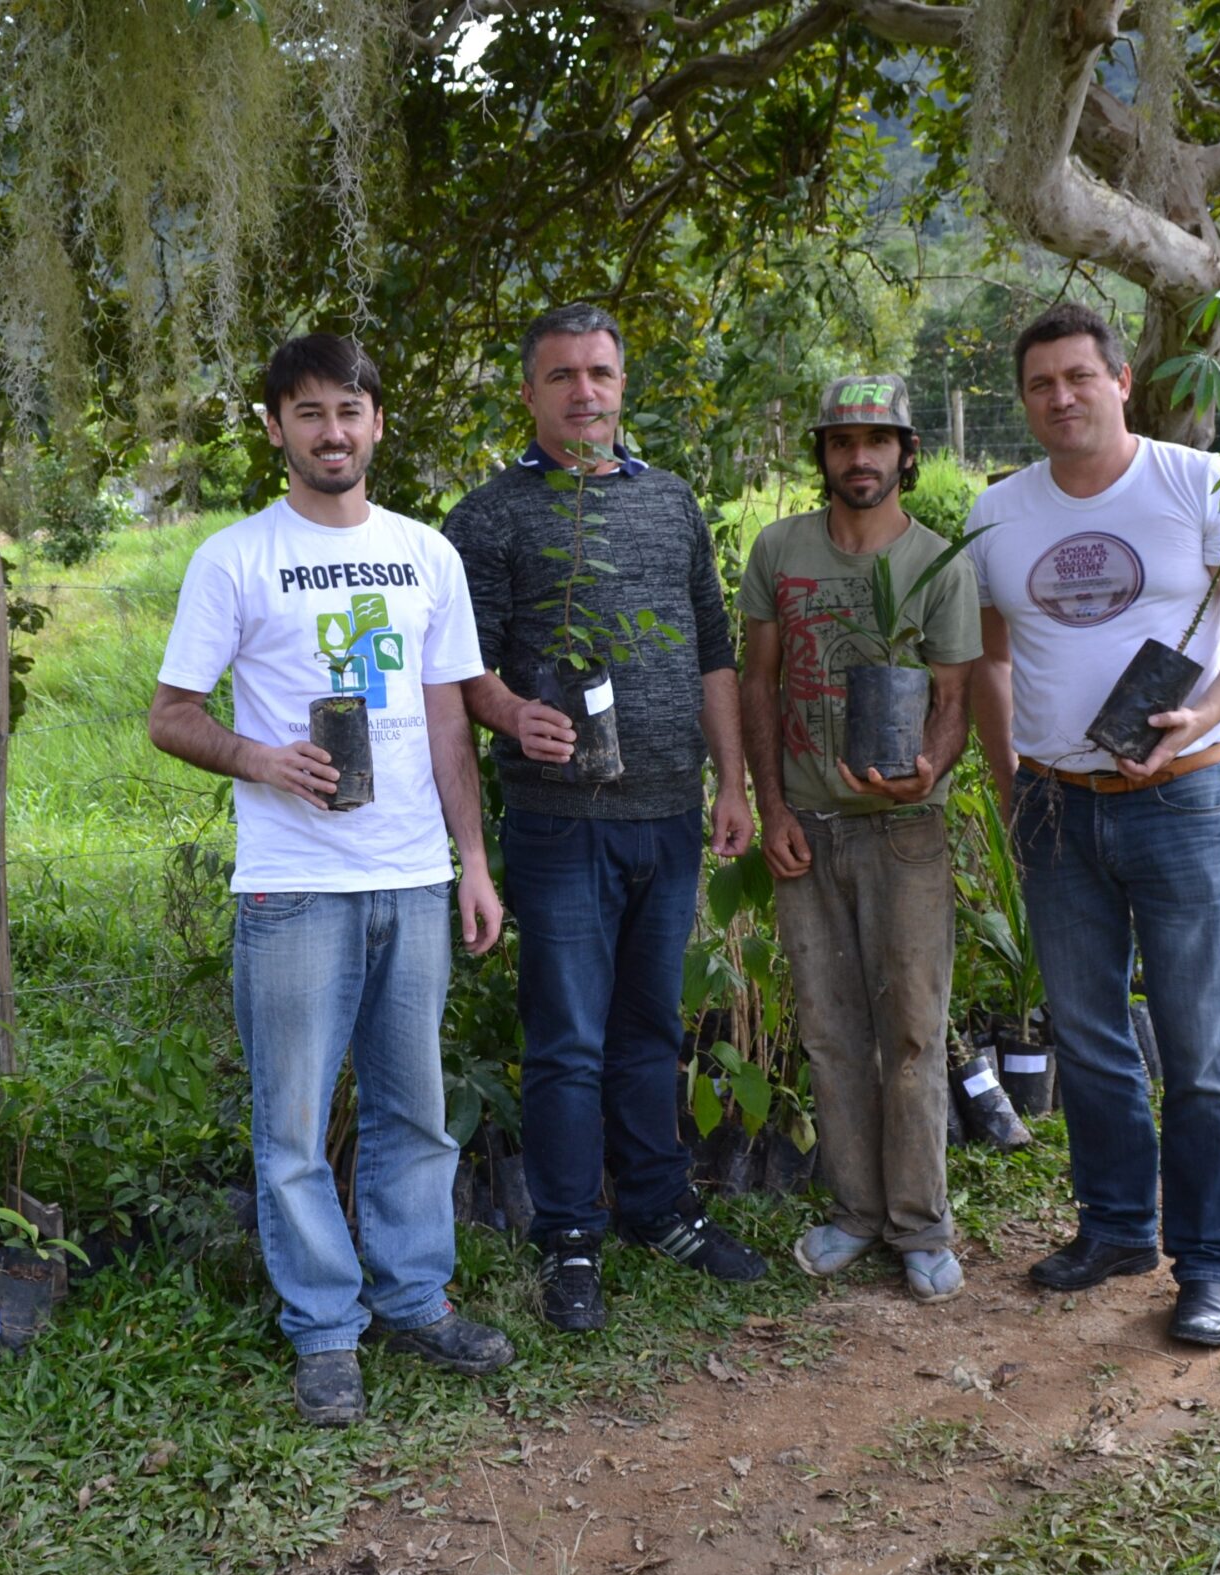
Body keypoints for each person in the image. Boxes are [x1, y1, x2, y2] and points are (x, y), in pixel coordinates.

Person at [149, 334, 514, 1424]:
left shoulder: (425, 556)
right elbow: (171, 714)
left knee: (418, 1112)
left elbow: (450, 720)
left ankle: (415, 1297)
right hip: (294, 883)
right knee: (293, 1127)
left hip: (409, 875)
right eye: (307, 413)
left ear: (377, 422)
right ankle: (324, 1332)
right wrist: (261, 759)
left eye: (349, 411)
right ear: (274, 430)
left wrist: (473, 864)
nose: (332, 432)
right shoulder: (235, 558)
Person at [965, 302, 1220, 1348]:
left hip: (1179, 796)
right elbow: (988, 657)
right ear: (1024, 403)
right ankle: (1114, 1226)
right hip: (1055, 807)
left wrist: (1205, 712)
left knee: (1199, 1051)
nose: (1059, 398)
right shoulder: (997, 513)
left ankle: (1207, 1264)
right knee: (1088, 1035)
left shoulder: (1199, 485)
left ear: (1119, 380)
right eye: (1039, 385)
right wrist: (1006, 775)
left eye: (1077, 376)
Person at [445, 303, 762, 1333]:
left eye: (601, 374)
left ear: (624, 386)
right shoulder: (491, 517)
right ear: (528, 393)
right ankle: (569, 1237)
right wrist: (512, 711)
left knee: (649, 1028)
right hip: (560, 824)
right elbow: (460, 673)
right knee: (567, 1041)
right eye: (562, 376)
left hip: (668, 816)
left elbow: (713, 653)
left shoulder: (670, 504)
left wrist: (734, 783)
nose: (585, 392)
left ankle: (658, 1208)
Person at [740, 374, 981, 1303]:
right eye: (843, 442)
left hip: (907, 831)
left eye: (878, 441)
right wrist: (773, 808)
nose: (860, 458)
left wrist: (931, 764)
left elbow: (953, 700)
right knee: (833, 1032)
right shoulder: (780, 550)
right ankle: (854, 1213)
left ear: (906, 453)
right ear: (824, 456)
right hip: (810, 826)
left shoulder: (939, 562)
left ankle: (921, 1224)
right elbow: (758, 682)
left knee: (914, 1031)